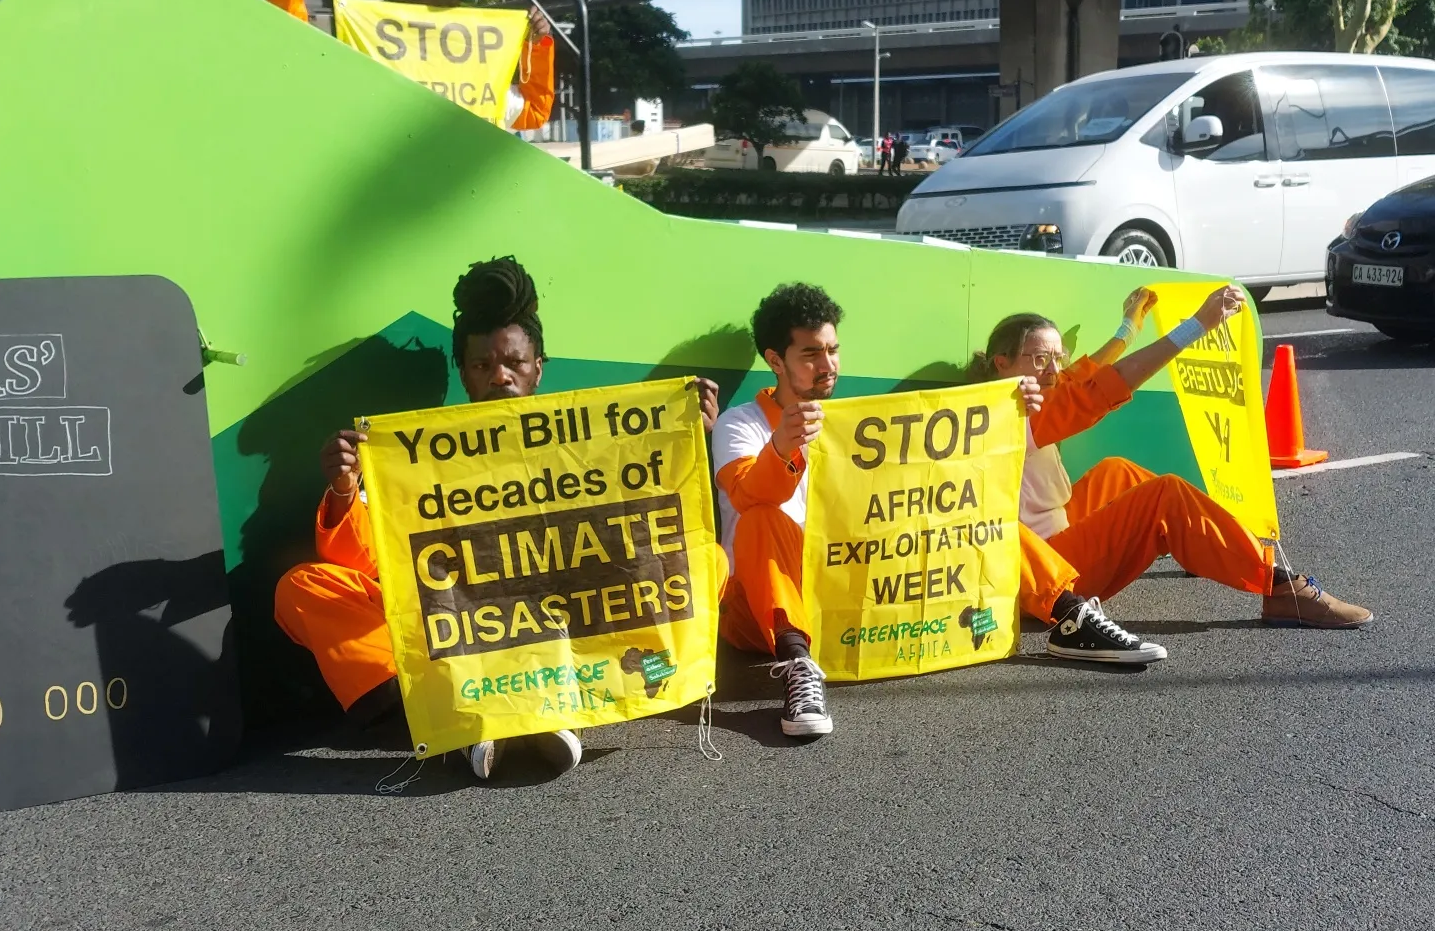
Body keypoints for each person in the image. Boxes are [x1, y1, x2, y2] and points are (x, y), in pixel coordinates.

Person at [273, 256, 721, 780]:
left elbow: (646, 525)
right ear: (464, 373)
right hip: (455, 630)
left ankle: (519, 713)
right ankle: (458, 709)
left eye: (513, 362)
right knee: (302, 586)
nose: (499, 376)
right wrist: (345, 490)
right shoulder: (412, 452)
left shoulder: (587, 440)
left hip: (565, 623)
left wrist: (685, 440)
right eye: (483, 366)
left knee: (708, 559)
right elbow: (361, 563)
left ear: (538, 367)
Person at [712, 284, 1169, 741]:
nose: (828, 365)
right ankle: (797, 666)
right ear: (776, 360)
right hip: (761, 613)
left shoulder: (851, 422)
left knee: (970, 510)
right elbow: (747, 494)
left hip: (846, 588)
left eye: (833, 350)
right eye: (811, 354)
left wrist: (1016, 413)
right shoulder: (742, 423)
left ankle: (1068, 616)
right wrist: (781, 450)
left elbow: (937, 480)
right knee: (762, 518)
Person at [974, 285, 1372, 635]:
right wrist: (1196, 325)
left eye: (1057, 358)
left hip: (1050, 536)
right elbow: (1099, 388)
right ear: (1002, 362)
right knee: (1165, 497)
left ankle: (1199, 544)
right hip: (1047, 570)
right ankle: (1278, 586)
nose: (1053, 371)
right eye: (1041, 359)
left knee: (1118, 472)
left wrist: (1127, 328)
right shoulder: (1016, 407)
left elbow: (1083, 376)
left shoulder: (997, 400)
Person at [258, 0, 558, 131]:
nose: (447, 18)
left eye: (452, 7)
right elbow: (299, 54)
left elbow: (533, 111)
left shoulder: (477, 83)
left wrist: (536, 45)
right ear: (400, 13)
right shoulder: (367, 63)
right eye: (436, 6)